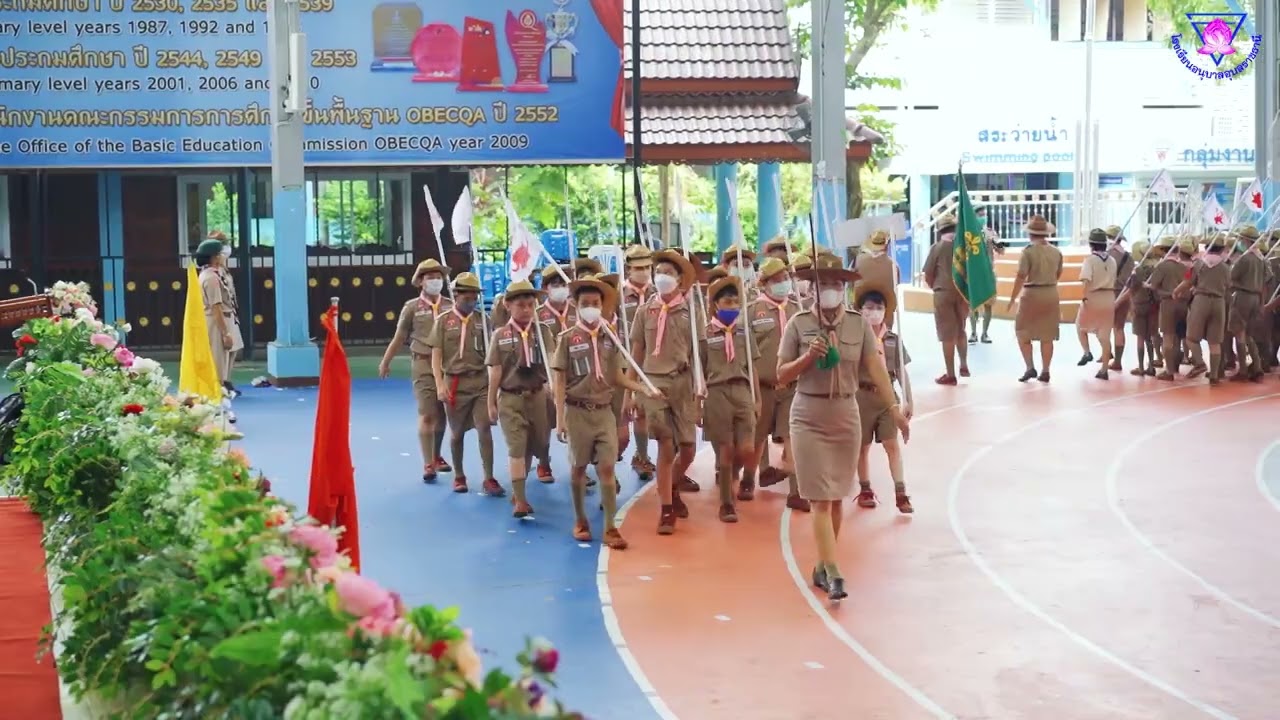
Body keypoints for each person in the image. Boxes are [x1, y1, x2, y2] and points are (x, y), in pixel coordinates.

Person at [777, 253, 909, 602]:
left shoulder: (857, 324)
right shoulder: (798, 324)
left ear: (845, 288)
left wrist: (894, 408)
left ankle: (823, 564)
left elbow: (876, 368)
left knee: (835, 497)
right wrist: (807, 357)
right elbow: (781, 375)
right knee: (820, 499)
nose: (831, 290)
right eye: (824, 284)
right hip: (808, 414)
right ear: (813, 289)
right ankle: (834, 572)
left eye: (837, 284)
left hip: (845, 415)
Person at [553, 274, 660, 548]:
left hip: (603, 412)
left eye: (596, 302)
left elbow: (616, 376)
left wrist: (641, 388)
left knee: (607, 468)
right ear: (576, 305)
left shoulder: (611, 338)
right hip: (577, 412)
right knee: (578, 468)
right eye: (586, 302)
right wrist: (559, 420)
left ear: (602, 305)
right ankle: (580, 520)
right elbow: (560, 381)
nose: (591, 307)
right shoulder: (567, 338)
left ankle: (611, 527)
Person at [626, 249, 701, 535]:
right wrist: (632, 392)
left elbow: (698, 353)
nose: (662, 277)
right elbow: (636, 351)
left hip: (683, 384)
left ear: (681, 280)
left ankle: (670, 485)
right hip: (653, 384)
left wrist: (700, 386)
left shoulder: (691, 312)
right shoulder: (646, 310)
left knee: (689, 449)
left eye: (669, 273)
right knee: (666, 445)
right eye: (660, 272)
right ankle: (666, 509)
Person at [487, 280, 557, 516]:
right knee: (516, 447)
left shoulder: (543, 331)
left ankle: (520, 488)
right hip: (511, 398)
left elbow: (552, 360)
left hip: (537, 396)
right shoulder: (500, 335)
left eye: (530, 304)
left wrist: (555, 388)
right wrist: (490, 402)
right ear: (508, 305)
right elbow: (495, 370)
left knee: (538, 444)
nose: (526, 309)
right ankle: (520, 499)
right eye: (520, 305)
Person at [380, 259, 454, 482]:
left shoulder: (450, 306)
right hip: (422, 362)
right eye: (430, 277)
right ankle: (428, 463)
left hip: (447, 364)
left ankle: (437, 454)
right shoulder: (411, 307)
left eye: (438, 277)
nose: (435, 281)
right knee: (427, 412)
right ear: (421, 281)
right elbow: (400, 336)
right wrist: (386, 361)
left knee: (442, 415)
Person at [697, 276, 761, 523]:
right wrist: (698, 404)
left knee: (746, 448)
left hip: (743, 391)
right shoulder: (704, 334)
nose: (732, 306)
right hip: (717, 392)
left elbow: (753, 367)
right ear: (715, 305)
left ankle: (732, 476)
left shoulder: (744, 332)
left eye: (736, 302)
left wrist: (757, 399)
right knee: (725, 450)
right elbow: (699, 371)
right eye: (727, 301)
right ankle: (726, 503)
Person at [429, 272, 499, 495]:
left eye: (474, 297)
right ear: (456, 295)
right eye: (467, 297)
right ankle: (459, 475)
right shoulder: (443, 321)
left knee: (484, 429)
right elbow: (436, 356)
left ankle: (489, 477)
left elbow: (492, 355)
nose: (471, 301)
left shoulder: (483, 321)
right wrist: (440, 384)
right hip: (455, 384)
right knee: (457, 433)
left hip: (480, 382)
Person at [750, 258, 807, 511]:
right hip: (762, 386)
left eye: (785, 278)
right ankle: (751, 477)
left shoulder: (798, 310)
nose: (783, 284)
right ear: (764, 284)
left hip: (792, 386)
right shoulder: (752, 310)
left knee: (793, 437)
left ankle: (797, 491)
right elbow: (748, 352)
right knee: (757, 437)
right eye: (776, 280)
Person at [852, 289, 913, 513]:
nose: (874, 313)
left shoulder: (893, 340)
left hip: (887, 400)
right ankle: (865, 488)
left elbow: (901, 371)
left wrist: (908, 399)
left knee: (891, 444)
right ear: (860, 311)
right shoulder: (855, 337)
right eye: (868, 308)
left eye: (878, 308)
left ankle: (901, 491)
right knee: (862, 446)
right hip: (861, 396)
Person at [532, 265, 578, 483]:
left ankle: (577, 465)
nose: (560, 289)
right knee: (545, 425)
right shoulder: (537, 315)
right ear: (546, 288)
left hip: (576, 377)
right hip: (546, 378)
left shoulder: (577, 311)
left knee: (576, 423)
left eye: (563, 284)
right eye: (555, 285)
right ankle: (543, 462)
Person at [1006, 215, 1063, 383]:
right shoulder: (1056, 252)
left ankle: (1030, 367)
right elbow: (1058, 274)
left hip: (1031, 295)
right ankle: (1046, 370)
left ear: (1030, 234)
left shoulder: (1027, 252)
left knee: (1023, 332)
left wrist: (1012, 298)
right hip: (1051, 293)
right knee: (1048, 335)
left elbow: (1021, 276)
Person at [620, 244, 657, 481]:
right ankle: (615, 457)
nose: (643, 272)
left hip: (652, 361)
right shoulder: (618, 296)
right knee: (627, 415)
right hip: (625, 361)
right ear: (628, 269)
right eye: (638, 268)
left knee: (645, 412)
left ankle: (642, 455)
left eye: (647, 267)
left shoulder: (657, 293)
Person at [1175, 233, 1231, 384]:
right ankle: (1214, 375)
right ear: (1221, 250)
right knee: (1215, 341)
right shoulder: (1226, 267)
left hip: (1201, 300)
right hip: (1219, 302)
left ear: (1207, 247)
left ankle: (1199, 363)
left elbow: (1188, 282)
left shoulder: (1199, 264)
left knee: (1191, 337)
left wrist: (1176, 291)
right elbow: (1228, 286)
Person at [922, 215, 970, 384]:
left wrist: (935, 286)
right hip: (963, 292)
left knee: (947, 335)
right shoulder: (964, 248)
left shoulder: (937, 247)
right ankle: (963, 363)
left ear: (941, 230)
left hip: (943, 292)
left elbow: (928, 273)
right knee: (961, 329)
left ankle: (950, 374)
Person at [194, 238, 244, 401]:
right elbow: (216, 307)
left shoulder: (216, 273)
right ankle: (217, 391)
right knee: (219, 358)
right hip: (217, 321)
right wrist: (225, 333)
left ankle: (224, 386)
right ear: (214, 257)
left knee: (230, 352)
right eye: (220, 254)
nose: (224, 257)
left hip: (228, 317)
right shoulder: (210, 278)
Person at [1148, 236, 1197, 380]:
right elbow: (1189, 285)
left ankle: (1169, 371)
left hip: (1168, 304)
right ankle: (1176, 365)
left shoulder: (1162, 266)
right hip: (1184, 304)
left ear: (1164, 250)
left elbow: (1154, 286)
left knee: (1168, 338)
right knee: (1179, 337)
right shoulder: (1186, 267)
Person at [1226, 225, 1269, 381]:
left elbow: (1231, 277)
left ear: (1245, 240)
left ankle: (1243, 370)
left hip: (1242, 296)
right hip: (1257, 298)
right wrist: (1262, 303)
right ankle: (1257, 366)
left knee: (1240, 333)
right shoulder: (1261, 258)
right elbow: (1266, 282)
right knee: (1250, 334)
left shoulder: (1244, 258)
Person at [1075, 228, 1118, 380]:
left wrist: (1084, 297)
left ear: (1091, 244)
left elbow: (1086, 280)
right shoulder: (1112, 260)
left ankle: (1087, 352)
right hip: (1109, 297)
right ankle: (1104, 369)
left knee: (1080, 326)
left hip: (1093, 297)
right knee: (1105, 335)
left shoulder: (1090, 260)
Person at [1115, 239, 1160, 376]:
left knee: (1140, 337)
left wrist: (1116, 303)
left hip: (1139, 306)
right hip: (1154, 305)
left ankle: (1141, 367)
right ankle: (1151, 366)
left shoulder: (1137, 272)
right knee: (1150, 336)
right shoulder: (1157, 268)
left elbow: (1129, 290)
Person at [968, 205, 1004, 344]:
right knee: (973, 304)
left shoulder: (990, 232)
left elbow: (1001, 250)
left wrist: (996, 241)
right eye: (980, 214)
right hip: (974, 273)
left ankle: (985, 333)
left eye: (984, 214)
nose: (983, 217)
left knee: (989, 304)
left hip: (988, 272)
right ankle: (973, 332)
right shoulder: (969, 233)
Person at [1106, 225, 1134, 370]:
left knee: (1104, 327)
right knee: (1119, 328)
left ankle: (1106, 356)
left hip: (1107, 292)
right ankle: (1118, 360)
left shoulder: (1106, 255)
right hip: (1123, 293)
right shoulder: (1129, 257)